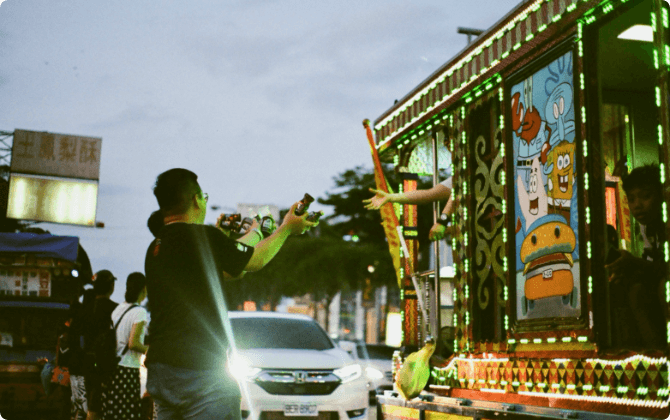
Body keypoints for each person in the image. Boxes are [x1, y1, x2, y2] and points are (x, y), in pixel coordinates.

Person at [144, 168, 317, 419]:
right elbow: (253, 261)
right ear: (196, 200)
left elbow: (231, 268)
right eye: (203, 196)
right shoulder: (201, 235)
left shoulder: (158, 245)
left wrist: (256, 232)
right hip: (199, 367)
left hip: (162, 370)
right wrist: (286, 229)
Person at [606, 164, 667, 349]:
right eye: (631, 199)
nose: (637, 205)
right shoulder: (645, 226)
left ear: (660, 195)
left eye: (645, 196)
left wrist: (633, 263)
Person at [102, 272, 149, 420]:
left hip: (113, 368)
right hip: (128, 370)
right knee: (128, 414)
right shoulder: (139, 312)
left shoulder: (118, 309)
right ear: (143, 289)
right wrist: (150, 350)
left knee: (114, 413)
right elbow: (133, 343)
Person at [363, 177, 456, 241]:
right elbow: (430, 194)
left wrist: (442, 222)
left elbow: (457, 192)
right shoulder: (459, 171)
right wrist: (391, 197)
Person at [85, 270, 119, 420]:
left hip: (85, 364)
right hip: (109, 366)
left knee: (92, 406)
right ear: (112, 286)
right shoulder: (117, 310)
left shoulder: (84, 309)